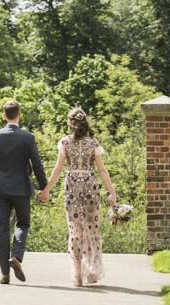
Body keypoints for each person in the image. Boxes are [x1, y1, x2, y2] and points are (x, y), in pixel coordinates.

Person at [37, 106, 116, 287]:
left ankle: (78, 274)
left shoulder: (64, 143)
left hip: (72, 185)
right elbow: (102, 170)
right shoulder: (93, 143)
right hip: (89, 185)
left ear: (70, 123)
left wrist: (47, 190)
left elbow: (57, 169)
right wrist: (112, 191)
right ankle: (91, 272)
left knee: (75, 230)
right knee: (92, 228)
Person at [0, 98, 48, 285]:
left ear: (4, 116)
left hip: (1, 189)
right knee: (23, 224)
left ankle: (5, 273)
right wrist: (44, 188)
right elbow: (37, 164)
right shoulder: (28, 137)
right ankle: (17, 257)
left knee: (2, 229)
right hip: (21, 188)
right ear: (19, 115)